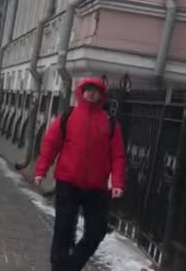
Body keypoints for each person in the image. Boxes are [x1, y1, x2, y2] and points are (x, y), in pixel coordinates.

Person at [34, 78, 126, 271]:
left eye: (96, 91)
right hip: (68, 182)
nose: (92, 93)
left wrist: (117, 182)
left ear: (102, 96)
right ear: (81, 92)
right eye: (88, 90)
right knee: (63, 229)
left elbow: (118, 155)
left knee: (97, 229)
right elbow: (51, 145)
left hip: (97, 187)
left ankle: (73, 264)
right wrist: (41, 170)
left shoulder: (110, 123)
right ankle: (58, 267)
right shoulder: (69, 116)